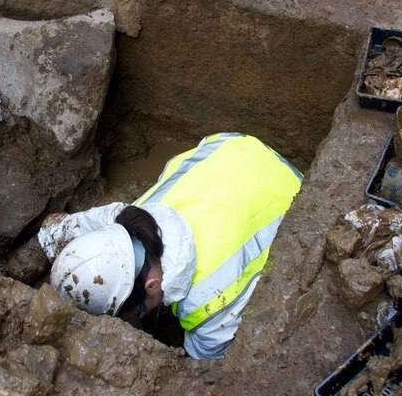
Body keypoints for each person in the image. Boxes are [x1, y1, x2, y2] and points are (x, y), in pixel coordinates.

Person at [38, 132, 302, 360]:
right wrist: (56, 245)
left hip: (300, 194)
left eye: (134, 313)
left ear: (152, 286)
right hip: (237, 149)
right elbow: (82, 225)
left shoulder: (209, 310)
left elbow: (200, 369)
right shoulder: (139, 214)